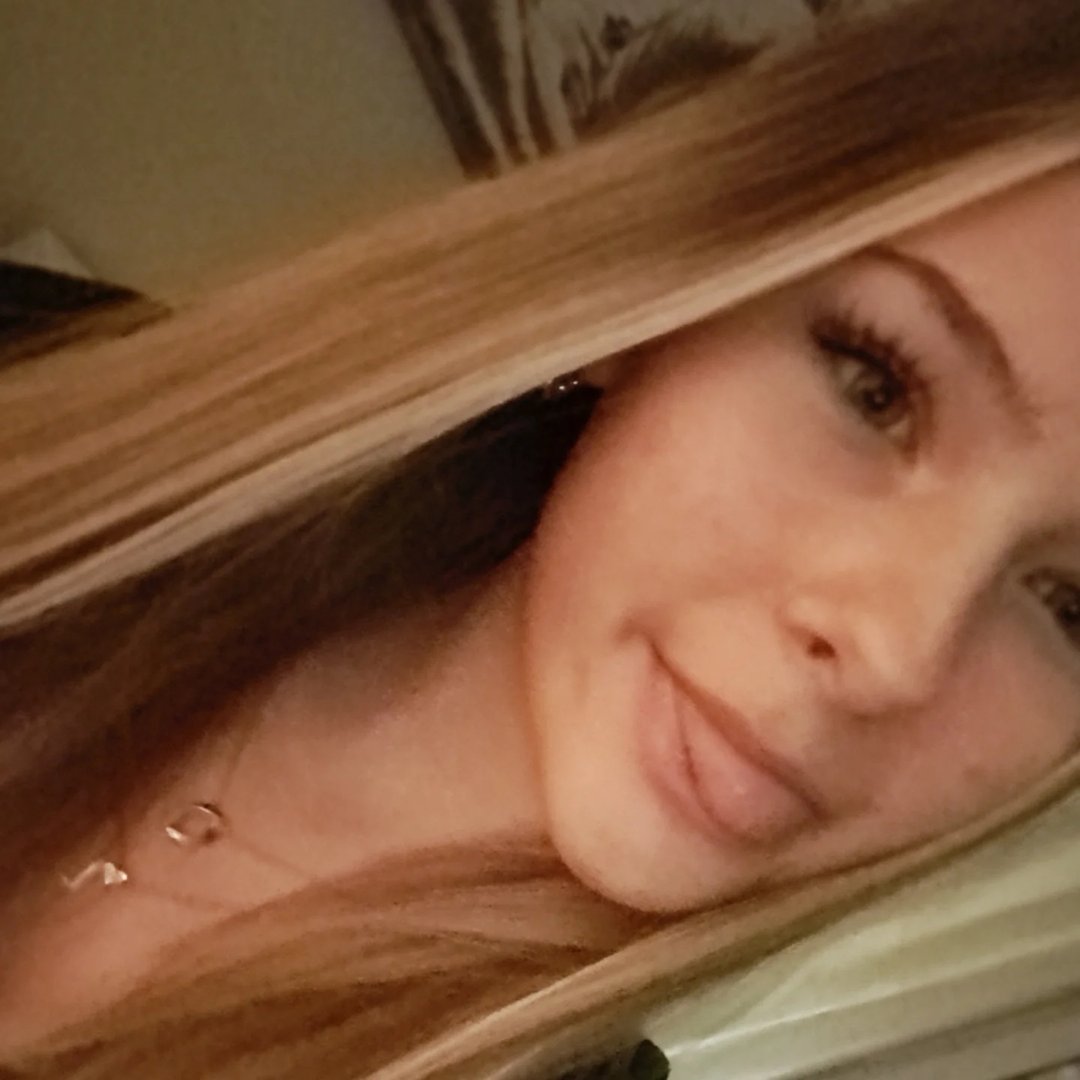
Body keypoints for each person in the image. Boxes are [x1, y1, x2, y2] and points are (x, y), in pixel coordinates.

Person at [0, 1, 1078, 1076]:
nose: (897, 651)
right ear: (671, 293)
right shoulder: (51, 408)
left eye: (1073, 605)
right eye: (876, 385)